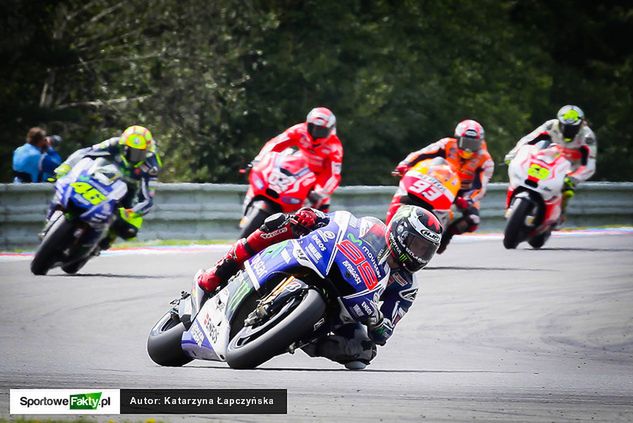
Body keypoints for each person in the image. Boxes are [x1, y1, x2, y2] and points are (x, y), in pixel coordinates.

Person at [196, 205, 442, 369]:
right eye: (416, 244)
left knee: (363, 354)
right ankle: (219, 272)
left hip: (349, 308)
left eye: (426, 250)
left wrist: (377, 321)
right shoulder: (372, 228)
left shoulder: (406, 286)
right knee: (280, 222)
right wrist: (312, 216)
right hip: (323, 261)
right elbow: (338, 222)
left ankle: (299, 339)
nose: (419, 254)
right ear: (400, 232)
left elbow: (385, 333)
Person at [393, 119, 494, 253]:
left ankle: (446, 235)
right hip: (438, 181)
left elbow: (481, 186)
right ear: (457, 139)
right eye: (466, 142)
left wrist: (469, 199)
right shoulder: (446, 144)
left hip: (464, 193)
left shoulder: (485, 160)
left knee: (473, 220)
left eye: (474, 144)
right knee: (406, 194)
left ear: (480, 143)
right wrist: (405, 163)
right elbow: (422, 153)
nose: (469, 148)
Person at [52, 125, 162, 249]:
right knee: (68, 184)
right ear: (124, 147)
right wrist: (65, 167)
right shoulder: (113, 143)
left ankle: (105, 240)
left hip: (129, 187)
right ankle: (54, 214)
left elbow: (147, 199)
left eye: (142, 152)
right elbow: (85, 152)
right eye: (134, 151)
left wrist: (130, 213)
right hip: (101, 175)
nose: (137, 156)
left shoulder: (151, 166)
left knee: (129, 230)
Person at [504, 105, 597, 221]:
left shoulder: (588, 136)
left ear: (581, 125)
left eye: (572, 128)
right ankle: (515, 202)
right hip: (554, 155)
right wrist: (513, 154)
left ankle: (559, 214)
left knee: (567, 189)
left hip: (573, 164)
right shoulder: (551, 125)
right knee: (533, 166)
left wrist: (574, 177)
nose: (568, 131)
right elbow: (529, 139)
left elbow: (590, 165)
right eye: (565, 126)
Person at [253, 107, 343, 212]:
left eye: (321, 131)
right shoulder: (299, 130)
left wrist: (320, 192)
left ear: (330, 130)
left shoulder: (335, 147)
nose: (315, 133)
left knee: (322, 203)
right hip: (298, 170)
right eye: (312, 128)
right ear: (307, 124)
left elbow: (333, 174)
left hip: (317, 179)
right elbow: (276, 143)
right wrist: (260, 158)